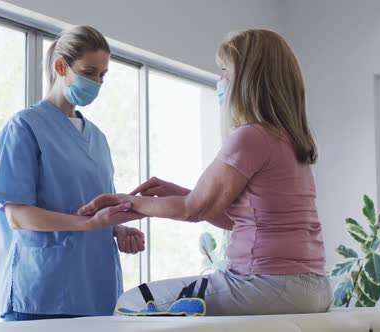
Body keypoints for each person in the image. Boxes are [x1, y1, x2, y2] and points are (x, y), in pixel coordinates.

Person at [79, 29, 333, 316]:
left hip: (266, 283)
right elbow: (232, 218)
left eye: (225, 71)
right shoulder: (290, 140)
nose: (220, 80)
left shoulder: (251, 137)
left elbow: (192, 209)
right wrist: (179, 193)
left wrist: (129, 201)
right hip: (313, 287)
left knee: (131, 303)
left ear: (249, 79)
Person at [0, 25, 145, 321]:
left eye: (102, 75)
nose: (97, 82)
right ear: (61, 67)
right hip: (43, 294)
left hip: (96, 292)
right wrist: (88, 225)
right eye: (89, 72)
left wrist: (115, 228)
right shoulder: (24, 128)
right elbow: (18, 216)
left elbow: (92, 209)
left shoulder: (98, 139)